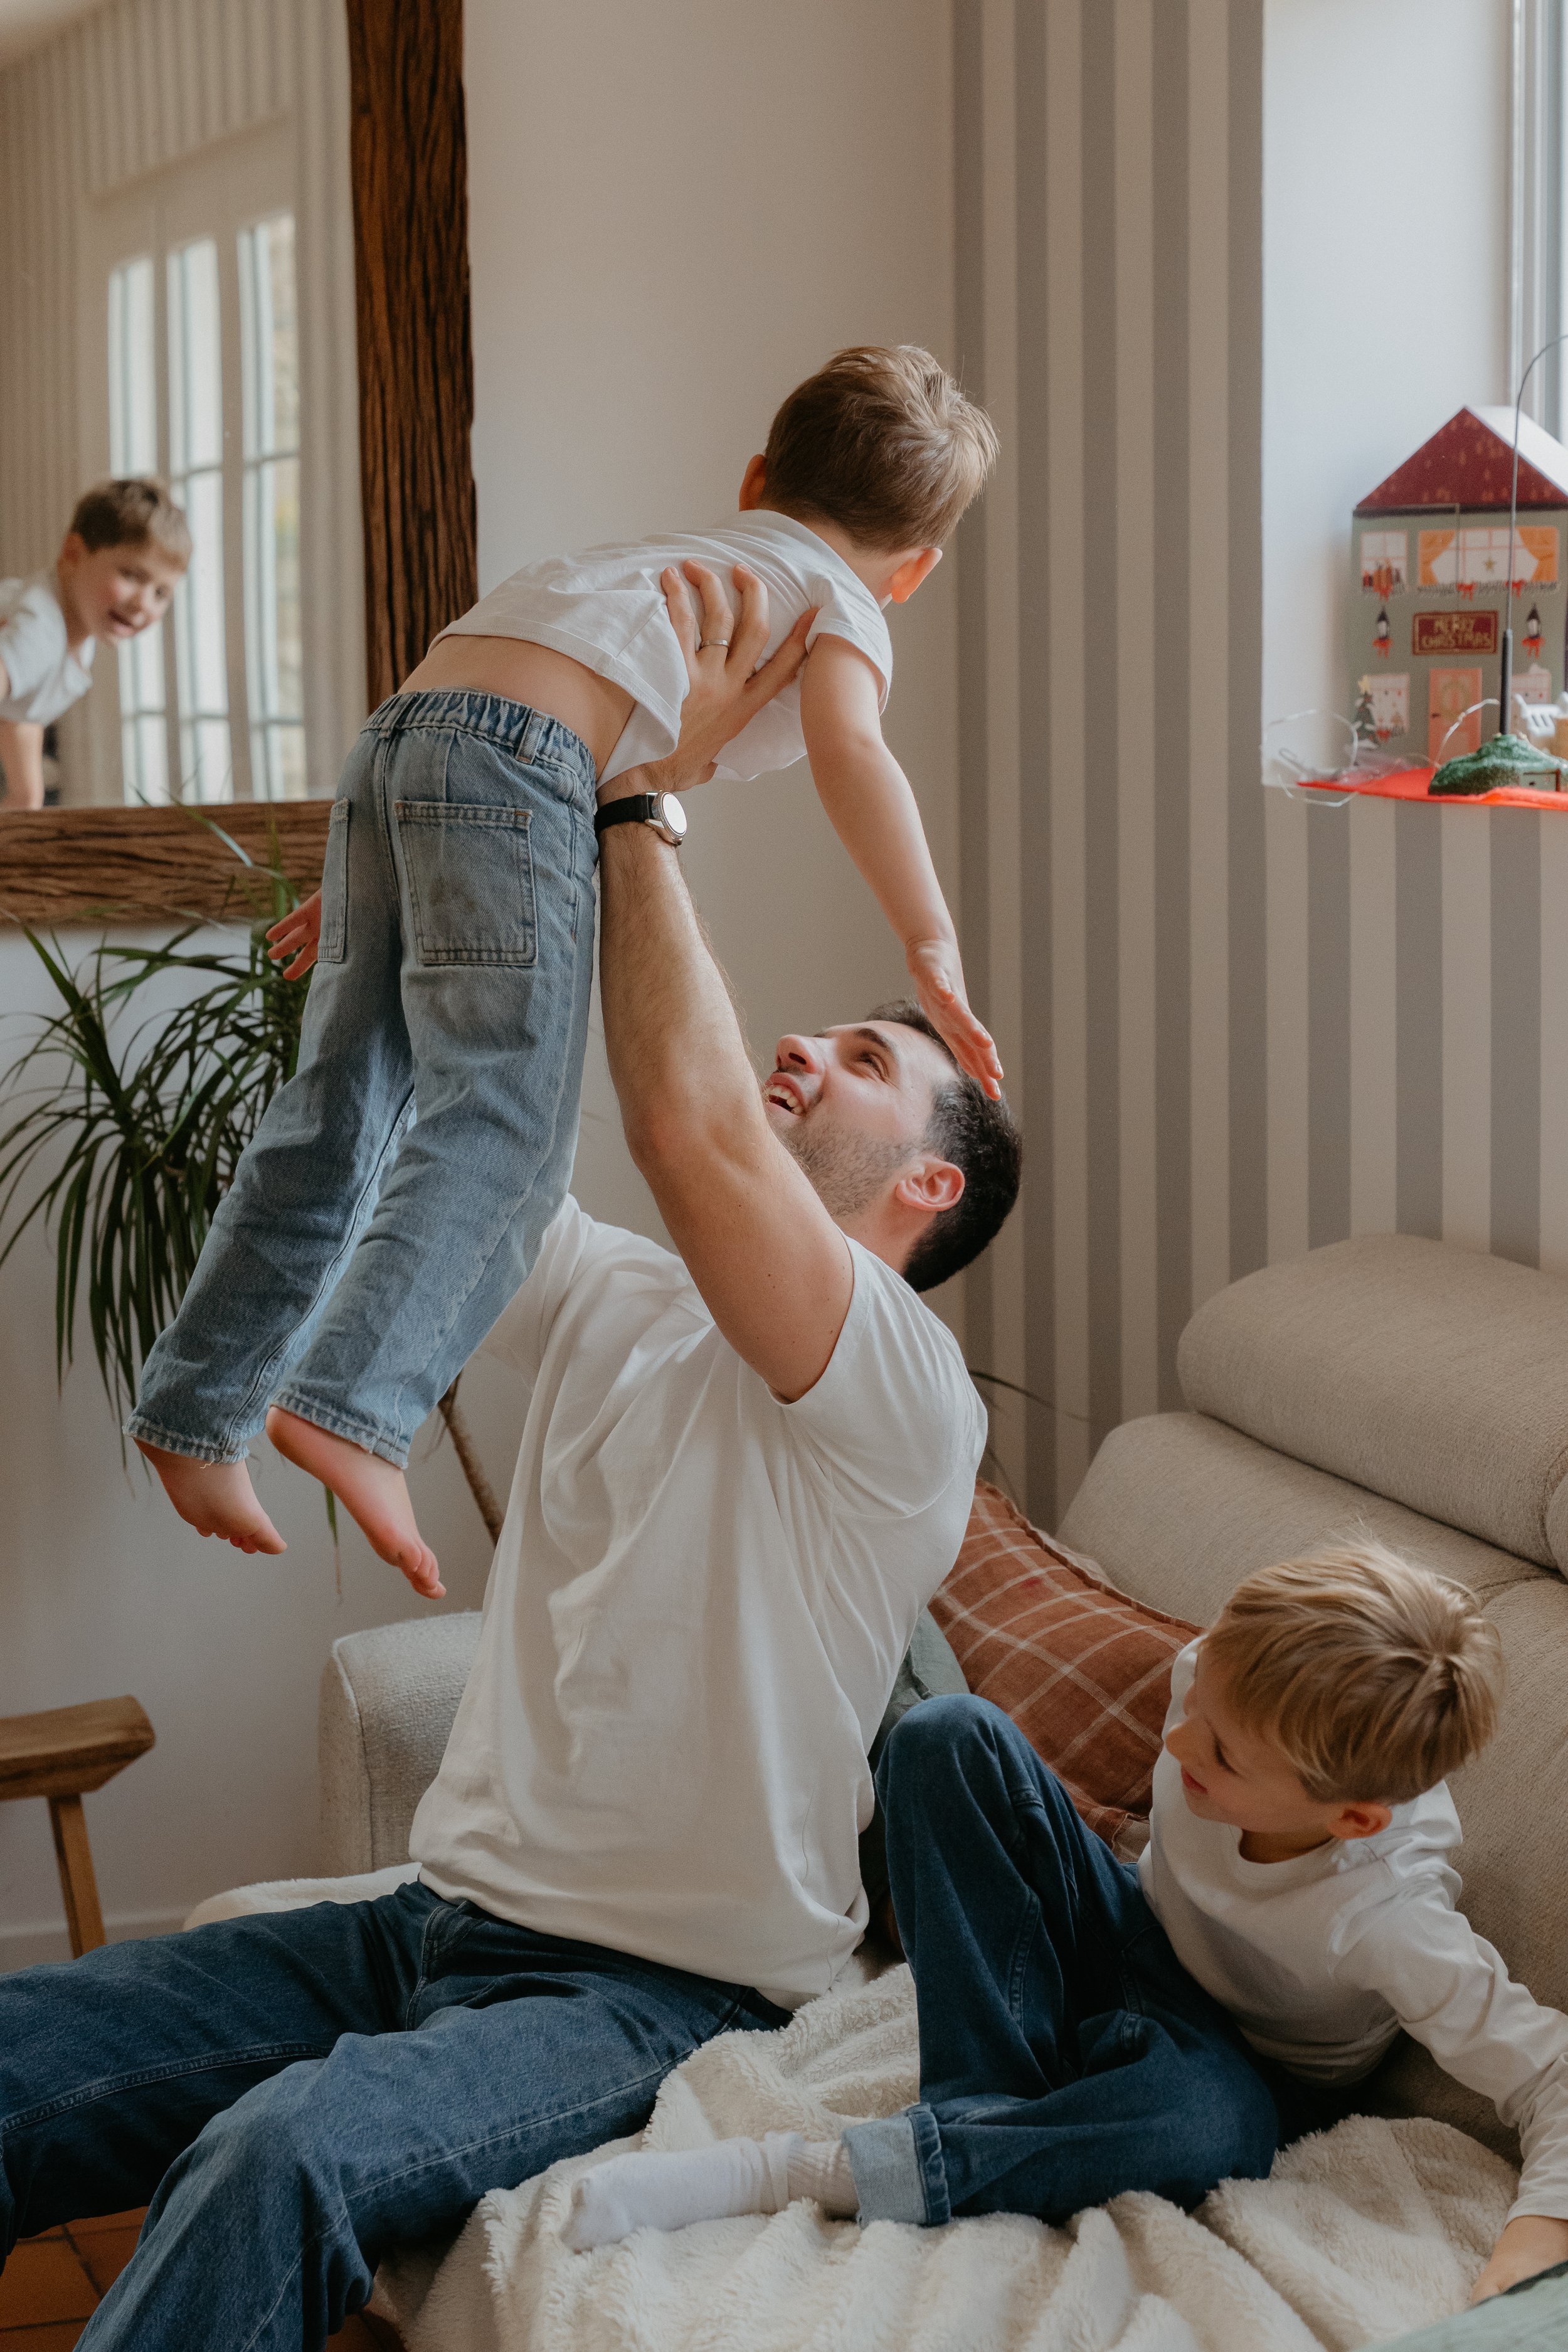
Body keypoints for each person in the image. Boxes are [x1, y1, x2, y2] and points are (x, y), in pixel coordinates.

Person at [0, 579, 1022, 2351]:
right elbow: (420, 1151)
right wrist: (388, 948)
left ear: (929, 1186)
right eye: (824, 1030)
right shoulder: (621, 1295)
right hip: (434, 1920)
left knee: (277, 2155)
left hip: (655, 1997)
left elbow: (685, 1122)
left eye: (864, 1064)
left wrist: (622, 778)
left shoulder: (904, 1392)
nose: (804, 1048)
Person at [125, 344, 1002, 1590]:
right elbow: (856, 755)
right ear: (911, 569)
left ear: (758, 474)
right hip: (521, 762)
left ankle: (195, 1407)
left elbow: (456, 727)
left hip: (406, 736)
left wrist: (368, 878)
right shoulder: (838, 599)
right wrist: (930, 941)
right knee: (504, 1120)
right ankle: (353, 1406)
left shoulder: (663, 560)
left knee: (338, 1104)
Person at [563, 1542, 1568, 2306]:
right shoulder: (1218, 1682)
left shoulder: (1388, 1915)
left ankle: (821, 2167)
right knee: (948, 1733)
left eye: (1218, 1754)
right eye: (1201, 1693)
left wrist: (1532, 2242)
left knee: (1215, 2123)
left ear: (1349, 1819)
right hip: (1127, 1927)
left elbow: (1550, 2071)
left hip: (1232, 2064)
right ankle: (993, 2120)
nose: (1178, 1740)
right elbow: (1164, 1758)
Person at [0, 479, 189, 807]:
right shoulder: (42, 629)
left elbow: (17, 713)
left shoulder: (76, 636)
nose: (144, 604)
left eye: (161, 594)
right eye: (131, 575)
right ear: (73, 554)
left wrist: (26, 796)